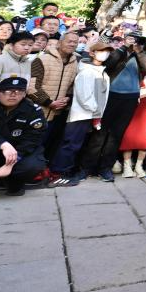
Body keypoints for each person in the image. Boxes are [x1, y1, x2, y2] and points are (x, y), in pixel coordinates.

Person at [79, 35, 146, 182]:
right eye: (131, 38)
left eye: (136, 39)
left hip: (130, 98)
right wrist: (124, 47)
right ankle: (87, 167)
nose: (133, 42)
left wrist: (138, 51)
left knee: (116, 135)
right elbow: (109, 64)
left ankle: (105, 168)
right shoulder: (116, 51)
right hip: (111, 95)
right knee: (100, 133)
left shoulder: (140, 54)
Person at [48, 41, 112, 186]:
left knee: (76, 145)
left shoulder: (102, 71)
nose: (105, 54)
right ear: (92, 53)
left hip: (92, 115)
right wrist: (96, 112)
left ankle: (66, 171)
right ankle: (58, 173)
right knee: (71, 144)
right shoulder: (87, 72)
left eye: (107, 52)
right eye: (101, 51)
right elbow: (85, 97)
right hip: (81, 115)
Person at [30, 31, 80, 162]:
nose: (72, 44)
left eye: (75, 42)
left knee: (49, 145)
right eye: (69, 41)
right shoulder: (42, 59)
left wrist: (68, 98)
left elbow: (71, 86)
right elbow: (32, 87)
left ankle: (42, 169)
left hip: (58, 113)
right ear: (59, 42)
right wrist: (49, 102)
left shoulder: (75, 62)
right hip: (38, 111)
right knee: (32, 144)